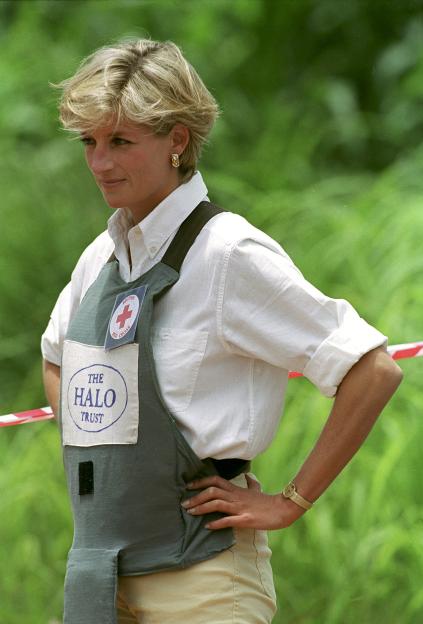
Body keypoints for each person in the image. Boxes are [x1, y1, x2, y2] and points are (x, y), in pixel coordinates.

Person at [41, 38, 402, 624]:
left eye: (121, 142)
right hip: (99, 576)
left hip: (203, 580)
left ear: (177, 140)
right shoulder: (99, 260)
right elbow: (55, 358)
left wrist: (290, 502)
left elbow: (372, 368)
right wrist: (101, 450)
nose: (100, 163)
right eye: (90, 141)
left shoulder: (229, 253)